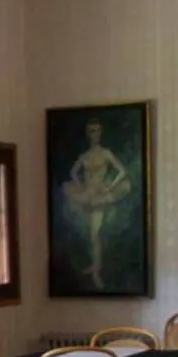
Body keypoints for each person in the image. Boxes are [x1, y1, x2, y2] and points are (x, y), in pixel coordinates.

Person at [63, 119, 130, 289]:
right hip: (87, 195)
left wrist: (109, 187)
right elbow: (73, 172)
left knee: (95, 234)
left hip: (100, 195)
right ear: (88, 134)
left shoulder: (106, 153)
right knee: (89, 234)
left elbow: (122, 171)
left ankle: (96, 272)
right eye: (93, 130)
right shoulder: (84, 156)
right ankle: (94, 265)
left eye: (98, 130)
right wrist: (80, 186)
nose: (96, 134)